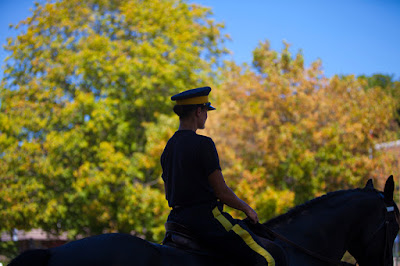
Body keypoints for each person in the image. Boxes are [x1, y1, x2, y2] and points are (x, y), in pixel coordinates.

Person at [160, 86, 281, 265]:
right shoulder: (203, 144)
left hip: (175, 221)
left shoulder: (168, 147)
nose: (207, 116)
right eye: (206, 111)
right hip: (206, 221)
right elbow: (221, 192)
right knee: (268, 258)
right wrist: (247, 209)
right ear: (199, 111)